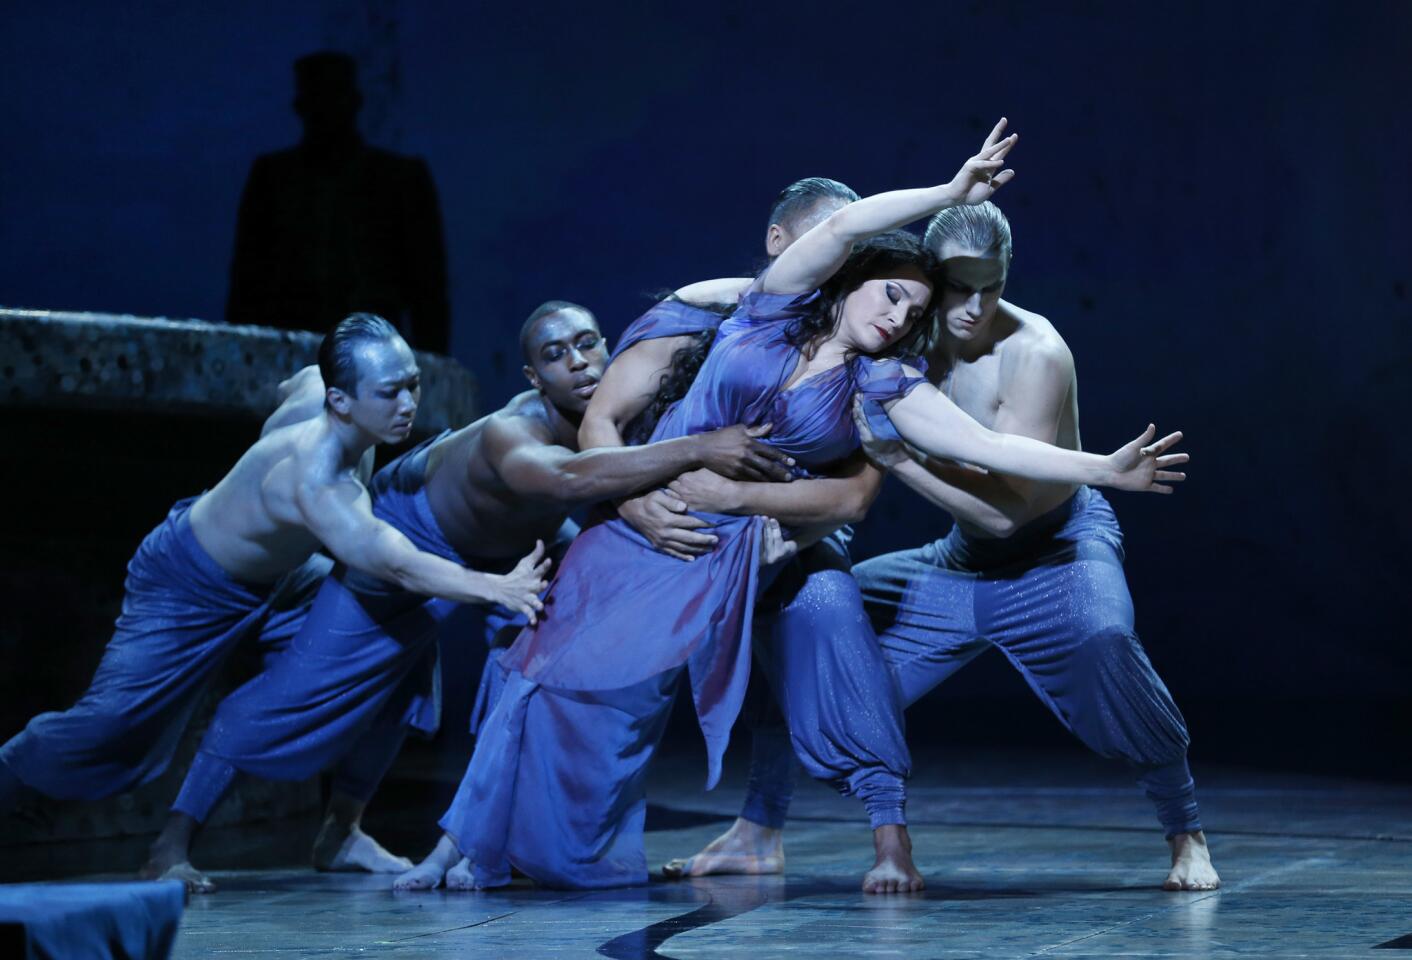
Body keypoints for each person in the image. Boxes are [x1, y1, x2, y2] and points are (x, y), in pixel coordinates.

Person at [436, 120, 1189, 893]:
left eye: (912, 312)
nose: (899, 318)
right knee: (554, 676)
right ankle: (479, 847)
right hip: (643, 530)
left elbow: (983, 447)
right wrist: (948, 191)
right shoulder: (768, 308)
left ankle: (882, 834)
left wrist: (1101, 466)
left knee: (820, 624)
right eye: (891, 293)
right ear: (852, 275)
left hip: (742, 548)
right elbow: (837, 227)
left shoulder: (881, 380)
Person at [148, 301, 794, 892]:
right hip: (410, 538)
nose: (577, 363)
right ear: (533, 377)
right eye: (554, 354)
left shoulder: (620, 414)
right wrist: (697, 450)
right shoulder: (511, 433)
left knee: (445, 686)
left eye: (587, 343)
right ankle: (170, 846)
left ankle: (356, 834)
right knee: (295, 692)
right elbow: (569, 479)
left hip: (511, 551)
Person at [679, 201, 1216, 890]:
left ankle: (1187, 833)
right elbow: (793, 295)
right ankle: (758, 829)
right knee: (801, 628)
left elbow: (1003, 514)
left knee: (1105, 643)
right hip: (960, 567)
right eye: (959, 287)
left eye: (991, 286)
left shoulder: (1036, 352)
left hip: (1055, 553)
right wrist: (703, 296)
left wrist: (900, 461)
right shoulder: (905, 335)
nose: (973, 305)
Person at [0, 315, 544, 887]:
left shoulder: (316, 388)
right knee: (105, 727)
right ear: (342, 400)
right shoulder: (317, 480)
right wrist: (494, 585)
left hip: (286, 575)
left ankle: (341, 832)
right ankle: (142, 839)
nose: (408, 404)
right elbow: (393, 559)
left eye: (412, 384)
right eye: (390, 393)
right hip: (189, 584)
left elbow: (294, 384)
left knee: (400, 646)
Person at [579, 177, 922, 892]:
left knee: (824, 613)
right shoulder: (706, 312)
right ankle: (567, 832)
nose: (841, 260)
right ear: (780, 241)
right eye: (836, 241)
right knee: (589, 655)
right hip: (654, 518)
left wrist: (770, 515)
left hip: (787, 535)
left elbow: (857, 493)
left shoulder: (866, 351)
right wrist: (636, 502)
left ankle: (875, 832)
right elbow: (600, 423)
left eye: (858, 249)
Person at [226, 52, 450, 351]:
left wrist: (428, 366)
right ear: (302, 108)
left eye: (334, 97)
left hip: (373, 352)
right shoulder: (273, 178)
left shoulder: (400, 179)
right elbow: (247, 285)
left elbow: (429, 291)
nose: (327, 110)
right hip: (291, 347)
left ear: (354, 102)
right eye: (317, 100)